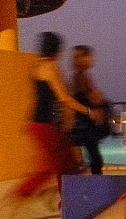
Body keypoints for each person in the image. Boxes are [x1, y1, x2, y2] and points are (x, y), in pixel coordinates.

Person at [7, 32, 101, 203]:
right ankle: (21, 194)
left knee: (63, 164)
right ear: (56, 49)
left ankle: (63, 200)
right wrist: (88, 111)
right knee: (62, 165)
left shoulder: (37, 66)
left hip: (39, 124)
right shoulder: (50, 67)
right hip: (44, 125)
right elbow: (63, 97)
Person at [69, 45, 111, 175]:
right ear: (81, 58)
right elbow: (92, 97)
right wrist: (97, 106)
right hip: (83, 125)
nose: (92, 60)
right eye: (88, 57)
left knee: (92, 158)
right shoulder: (80, 77)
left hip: (84, 125)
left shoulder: (81, 76)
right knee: (93, 159)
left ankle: (89, 180)